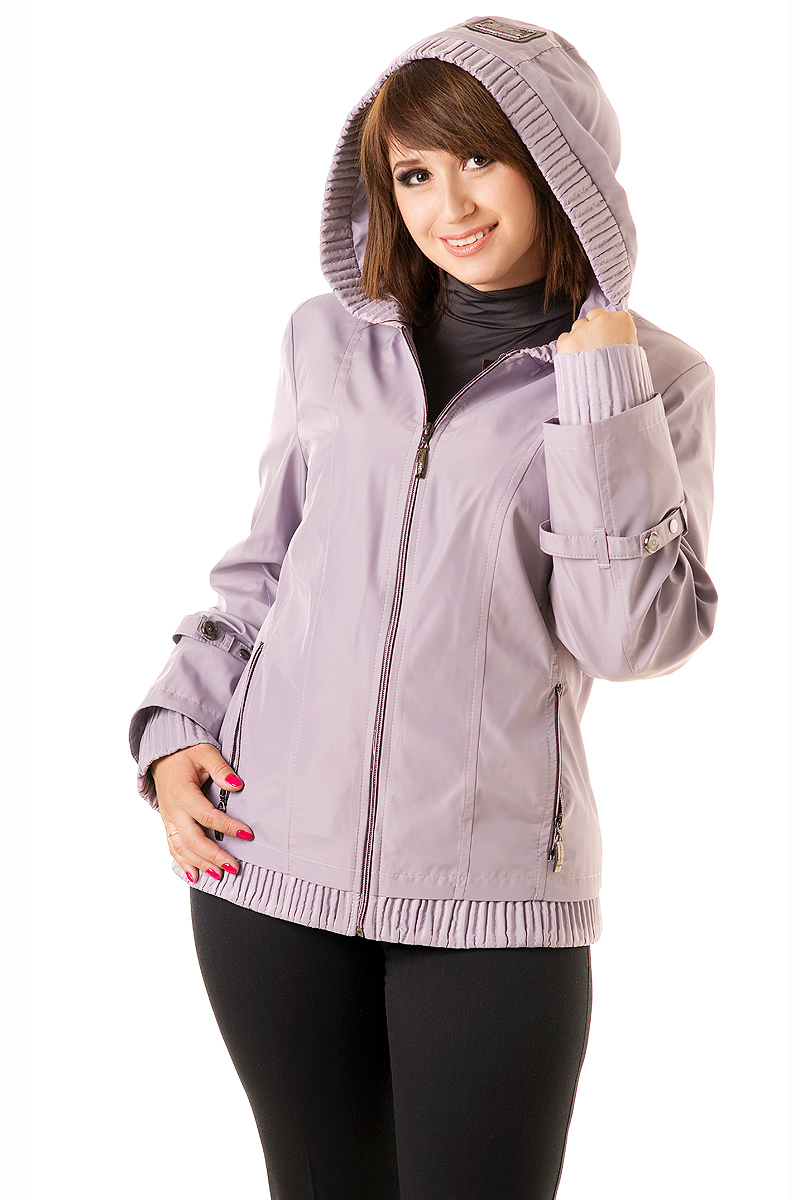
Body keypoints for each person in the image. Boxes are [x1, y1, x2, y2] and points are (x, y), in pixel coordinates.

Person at [130, 15, 716, 1200]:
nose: (447, 205)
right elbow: (265, 572)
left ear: (558, 166)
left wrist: (599, 389)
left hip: (490, 904)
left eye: (480, 159)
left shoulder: (652, 380)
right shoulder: (327, 341)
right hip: (268, 874)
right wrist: (174, 726)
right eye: (412, 173)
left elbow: (629, 639)